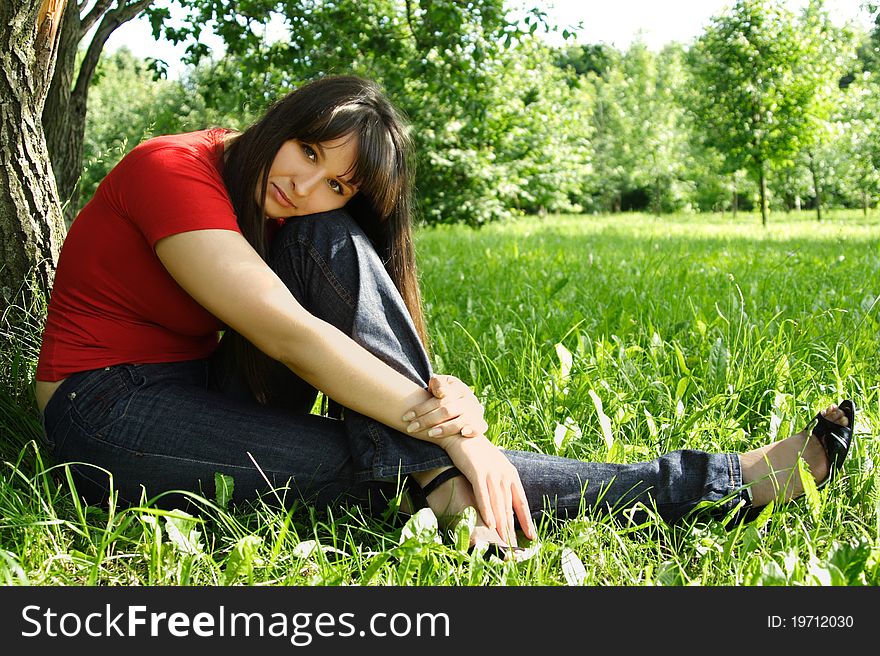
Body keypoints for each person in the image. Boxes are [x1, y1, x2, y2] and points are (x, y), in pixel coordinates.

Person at [35, 75, 855, 558]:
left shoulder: (293, 210)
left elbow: (335, 309)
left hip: (206, 384)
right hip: (106, 409)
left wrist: (431, 395)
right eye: (308, 151)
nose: (305, 185)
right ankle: (717, 486)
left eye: (338, 183)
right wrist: (459, 437)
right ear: (283, 123)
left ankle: (428, 474)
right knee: (367, 463)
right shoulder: (169, 169)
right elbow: (286, 331)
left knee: (328, 249)